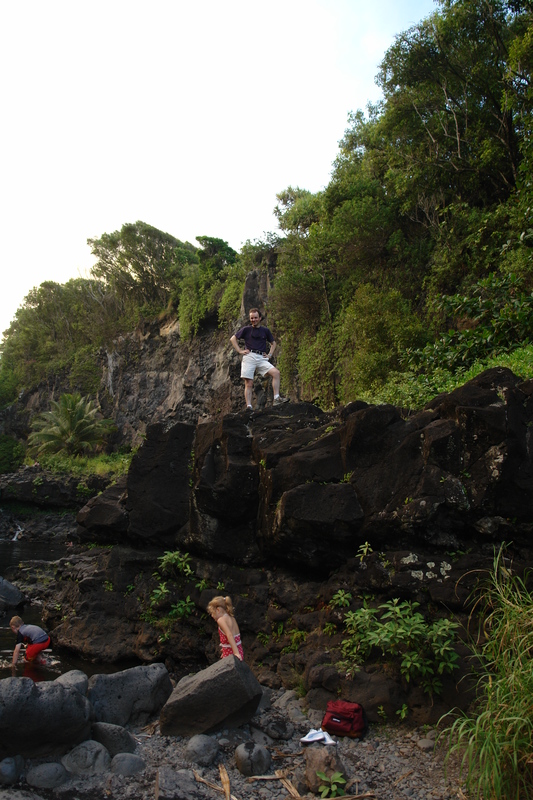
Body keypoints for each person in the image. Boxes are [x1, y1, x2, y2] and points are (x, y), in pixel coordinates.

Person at [230, 308, 289, 411]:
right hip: (249, 356)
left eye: (255, 318)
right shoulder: (246, 329)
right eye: (252, 318)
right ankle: (249, 406)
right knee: (249, 383)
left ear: (260, 318)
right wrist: (239, 350)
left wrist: (270, 354)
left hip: (261, 357)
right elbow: (233, 338)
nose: (253, 320)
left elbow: (273, 343)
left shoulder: (265, 330)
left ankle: (276, 398)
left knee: (276, 373)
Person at [207, 595, 244, 661]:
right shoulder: (232, 618)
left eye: (212, 613)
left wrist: (236, 653)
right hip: (239, 650)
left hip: (232, 653)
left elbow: (229, 635)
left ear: (218, 610)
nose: (212, 616)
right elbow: (236, 637)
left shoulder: (221, 620)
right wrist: (225, 648)